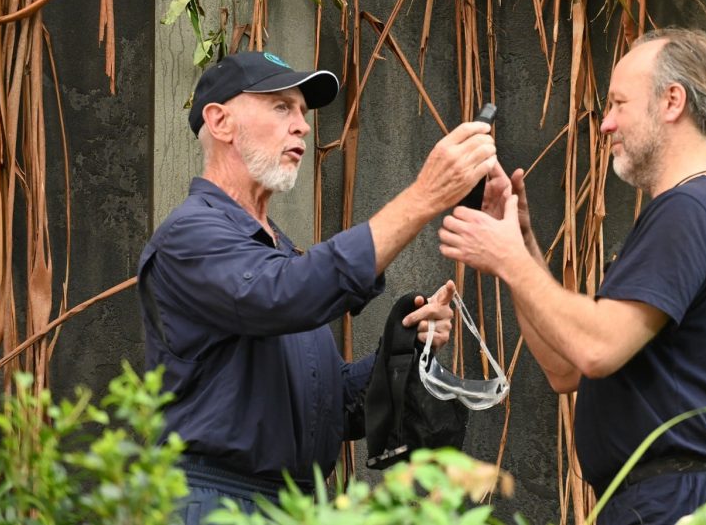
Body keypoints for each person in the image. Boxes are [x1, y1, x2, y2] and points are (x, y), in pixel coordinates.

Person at [137, 50, 497, 524]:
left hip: (292, 507)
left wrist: (403, 346)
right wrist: (425, 196)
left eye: (303, 113)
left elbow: (332, 409)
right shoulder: (190, 236)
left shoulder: (277, 251)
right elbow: (285, 295)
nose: (303, 126)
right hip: (215, 503)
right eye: (281, 107)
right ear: (220, 121)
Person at [439, 28, 706, 524]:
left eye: (618, 103)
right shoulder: (702, 208)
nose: (606, 123)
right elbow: (564, 368)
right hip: (666, 501)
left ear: (672, 101)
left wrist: (507, 258)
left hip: (682, 505)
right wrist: (520, 240)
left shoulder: (690, 209)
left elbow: (596, 348)